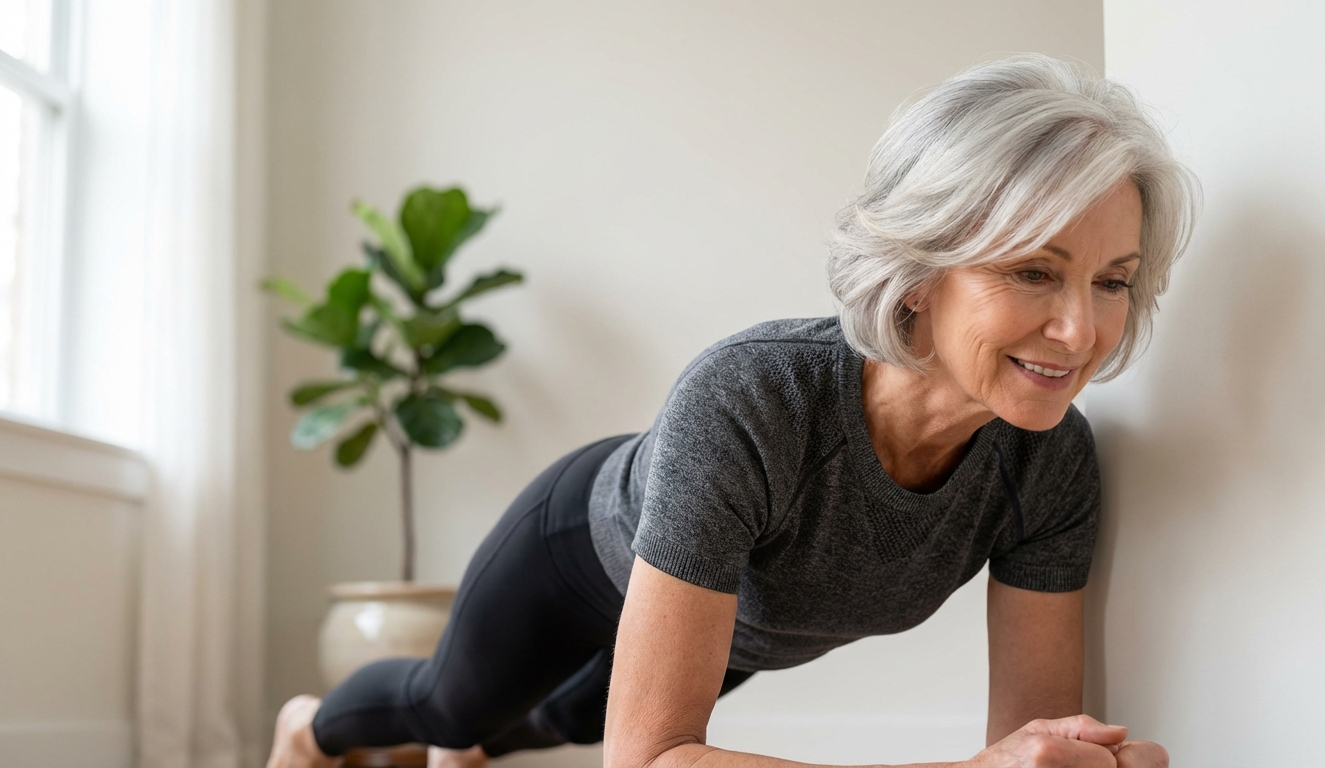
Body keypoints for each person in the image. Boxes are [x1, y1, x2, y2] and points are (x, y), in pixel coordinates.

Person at [267, 54, 1195, 768]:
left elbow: (1028, 739)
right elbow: (650, 761)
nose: (1080, 331)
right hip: (580, 554)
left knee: (554, 722)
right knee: (451, 706)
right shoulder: (754, 398)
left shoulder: (1052, 464)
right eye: (1033, 270)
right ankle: (310, 728)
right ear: (918, 275)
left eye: (1112, 282)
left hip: (745, 620)